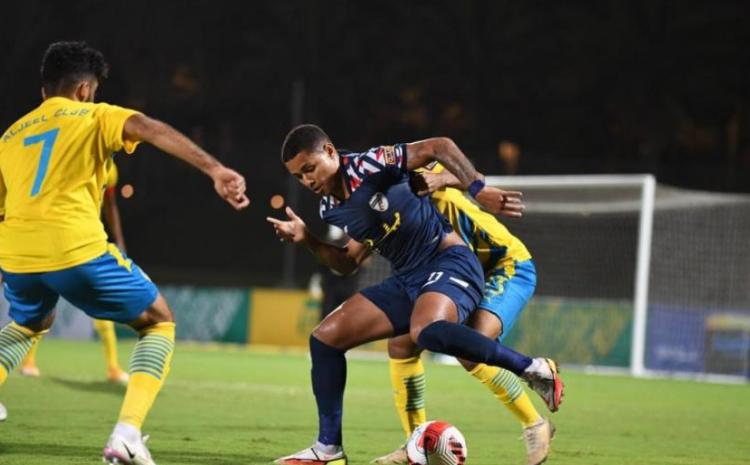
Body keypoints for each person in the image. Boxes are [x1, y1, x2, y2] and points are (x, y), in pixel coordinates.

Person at [0, 41, 249, 465]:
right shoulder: (95, 115)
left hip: (16, 254)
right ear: (84, 90)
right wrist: (215, 168)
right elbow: (148, 128)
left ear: (45, 90)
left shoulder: (10, 135)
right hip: (75, 249)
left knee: (30, 322)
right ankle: (127, 435)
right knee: (158, 321)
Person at [267, 124, 563, 465]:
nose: (307, 180)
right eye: (299, 176)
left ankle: (534, 382)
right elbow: (348, 261)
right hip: (412, 277)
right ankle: (336, 449)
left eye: (309, 169)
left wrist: (475, 188)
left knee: (449, 339)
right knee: (333, 339)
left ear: (330, 151)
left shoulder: (378, 165)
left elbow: (443, 150)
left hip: (482, 262)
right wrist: (307, 238)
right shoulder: (331, 206)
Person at [372, 163, 552, 465]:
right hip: (456, 272)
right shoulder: (380, 205)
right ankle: (415, 443)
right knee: (401, 344)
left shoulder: (409, 171)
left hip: (506, 265)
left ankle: (535, 423)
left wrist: (439, 179)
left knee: (470, 349)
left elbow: (467, 174)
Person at [19, 157, 130, 383]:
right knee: (46, 300)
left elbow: (110, 206)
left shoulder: (111, 169)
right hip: (60, 239)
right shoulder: (73, 158)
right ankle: (28, 361)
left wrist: (119, 240)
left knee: (101, 299)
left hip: (88, 244)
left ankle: (113, 368)